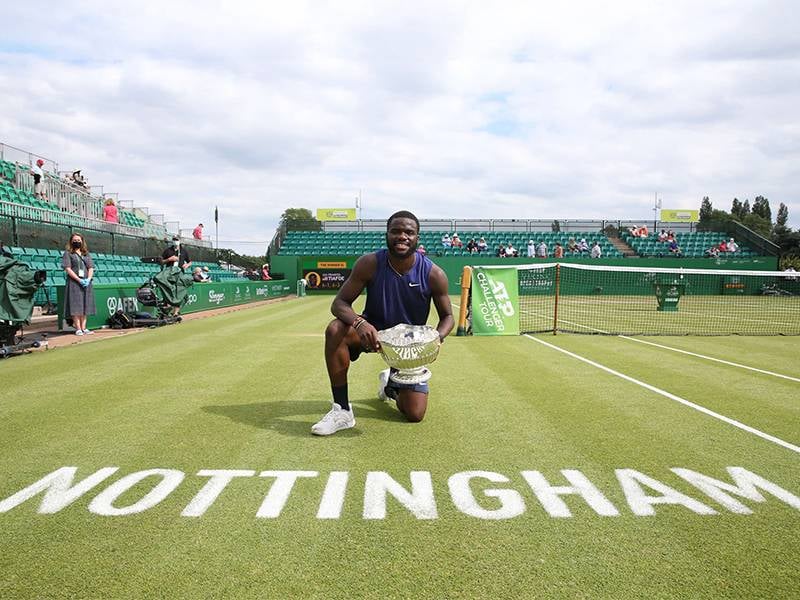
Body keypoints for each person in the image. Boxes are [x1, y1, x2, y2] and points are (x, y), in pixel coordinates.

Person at [311, 211, 454, 436]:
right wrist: (359, 323)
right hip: (372, 335)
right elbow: (339, 303)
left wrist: (437, 338)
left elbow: (448, 317)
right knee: (336, 328)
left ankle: (391, 385)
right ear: (387, 234)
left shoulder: (433, 273)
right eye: (396, 231)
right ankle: (342, 410)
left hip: (407, 348)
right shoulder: (370, 263)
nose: (402, 236)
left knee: (415, 414)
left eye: (409, 232)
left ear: (417, 237)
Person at [62, 232, 96, 336]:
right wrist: (78, 280)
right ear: (71, 242)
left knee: (85, 304)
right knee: (76, 305)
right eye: (75, 240)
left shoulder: (86, 253)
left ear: (82, 241)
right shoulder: (68, 253)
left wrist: (88, 279)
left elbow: (91, 267)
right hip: (74, 283)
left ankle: (84, 327)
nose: (77, 242)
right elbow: (67, 268)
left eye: (79, 240)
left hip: (86, 283)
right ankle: (78, 328)